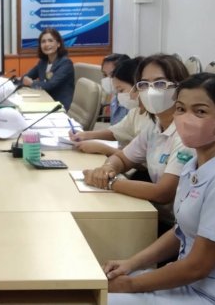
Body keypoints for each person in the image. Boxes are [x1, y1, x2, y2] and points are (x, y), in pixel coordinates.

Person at [105, 73, 215, 304]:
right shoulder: (194, 165)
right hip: (193, 285)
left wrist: (130, 284)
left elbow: (197, 266)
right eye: (181, 109)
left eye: (200, 111)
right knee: (96, 286)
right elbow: (181, 231)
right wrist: (130, 264)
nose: (186, 119)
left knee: (100, 299)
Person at [83, 54, 192, 229]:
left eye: (159, 84)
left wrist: (110, 182)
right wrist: (107, 168)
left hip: (175, 226)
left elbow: (163, 193)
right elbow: (123, 158)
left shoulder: (188, 134)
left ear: (180, 88)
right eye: (144, 84)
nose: (151, 91)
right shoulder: (154, 126)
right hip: (154, 213)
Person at [72, 57, 151, 155]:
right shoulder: (136, 112)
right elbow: (116, 132)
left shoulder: (153, 119)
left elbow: (139, 159)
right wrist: (85, 135)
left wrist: (104, 149)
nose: (119, 96)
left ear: (139, 86)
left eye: (121, 90)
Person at [22, 28, 75, 111]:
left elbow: (50, 85)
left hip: (59, 106)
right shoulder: (42, 62)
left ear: (58, 44)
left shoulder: (66, 63)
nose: (46, 44)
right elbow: (27, 77)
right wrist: (22, 79)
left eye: (50, 41)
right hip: (45, 101)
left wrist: (31, 83)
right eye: (43, 41)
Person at [101, 54, 131, 125]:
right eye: (105, 75)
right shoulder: (114, 98)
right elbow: (114, 129)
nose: (108, 79)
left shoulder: (131, 101)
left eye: (112, 74)